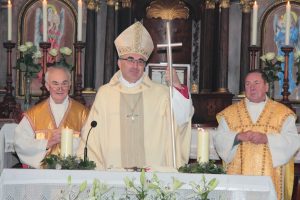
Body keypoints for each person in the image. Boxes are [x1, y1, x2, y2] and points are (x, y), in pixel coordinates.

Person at [77, 21, 194, 171]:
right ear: (119, 63)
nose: (135, 65)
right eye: (130, 59)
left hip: (152, 177)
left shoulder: (161, 93)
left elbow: (182, 119)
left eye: (140, 61)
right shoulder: (105, 94)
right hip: (113, 175)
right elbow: (91, 138)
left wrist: (177, 87)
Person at [213, 69, 300, 200]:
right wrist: (237, 137)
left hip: (270, 175)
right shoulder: (229, 114)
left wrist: (267, 138)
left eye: (256, 83)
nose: (252, 87)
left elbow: (292, 140)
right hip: (238, 177)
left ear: (266, 86)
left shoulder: (283, 114)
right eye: (247, 84)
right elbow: (219, 139)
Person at [14, 66, 89, 168]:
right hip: (41, 175)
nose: (60, 88)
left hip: (73, 172)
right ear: (47, 86)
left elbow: (92, 143)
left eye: (64, 83)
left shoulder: (83, 113)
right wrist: (47, 143)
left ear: (70, 85)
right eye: (55, 83)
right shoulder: (34, 115)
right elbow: (21, 144)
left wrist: (69, 140)